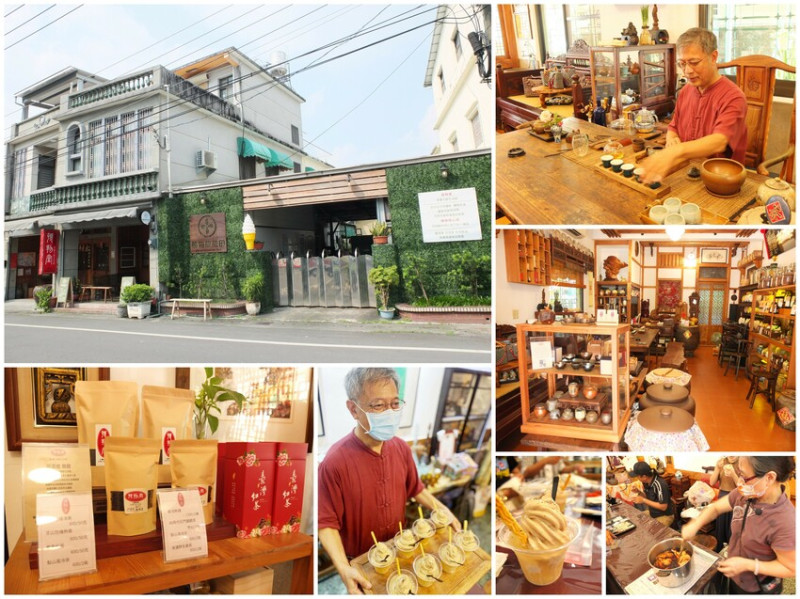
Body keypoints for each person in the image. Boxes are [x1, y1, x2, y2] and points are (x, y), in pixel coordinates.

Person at [318, 368, 460, 594]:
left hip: (401, 549)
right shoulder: (334, 463)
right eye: (378, 405)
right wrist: (344, 568)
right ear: (353, 409)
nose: (390, 412)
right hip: (362, 562)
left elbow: (417, 489)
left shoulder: (401, 448)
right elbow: (326, 524)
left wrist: (444, 512)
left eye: (394, 404)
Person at [639, 28, 747, 185]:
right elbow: (673, 127)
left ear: (713, 57)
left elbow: (719, 141)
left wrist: (675, 152)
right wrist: (672, 139)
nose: (687, 71)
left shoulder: (733, 97)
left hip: (720, 179)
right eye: (682, 64)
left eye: (694, 63)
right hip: (687, 172)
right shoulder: (686, 91)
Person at [682, 456, 795, 594]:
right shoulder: (746, 493)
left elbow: (791, 568)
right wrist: (695, 524)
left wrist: (748, 565)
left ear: (769, 478)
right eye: (739, 474)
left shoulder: (785, 521)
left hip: (757, 587)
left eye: (744, 476)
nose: (740, 482)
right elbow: (715, 508)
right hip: (735, 576)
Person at [708, 456, 741, 550]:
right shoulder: (721, 462)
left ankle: (731, 550)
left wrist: (733, 474)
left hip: (736, 497)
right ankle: (719, 550)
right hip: (722, 496)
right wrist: (718, 468)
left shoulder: (742, 462)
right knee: (721, 527)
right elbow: (712, 482)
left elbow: (742, 487)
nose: (732, 455)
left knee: (732, 527)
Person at [630, 461, 674, 527]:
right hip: (652, 512)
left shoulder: (660, 484)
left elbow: (663, 507)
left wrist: (643, 500)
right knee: (635, 520)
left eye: (637, 476)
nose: (637, 479)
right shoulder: (646, 482)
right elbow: (648, 497)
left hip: (665, 516)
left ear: (644, 476)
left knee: (651, 532)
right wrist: (638, 492)